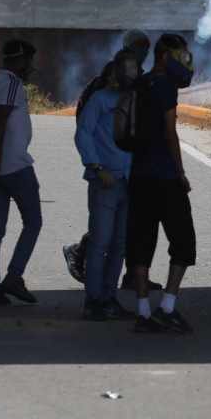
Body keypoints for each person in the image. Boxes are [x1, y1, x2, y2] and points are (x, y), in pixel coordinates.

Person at [125, 34, 199, 334]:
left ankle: (143, 311)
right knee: (183, 242)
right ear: (165, 55)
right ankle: (167, 307)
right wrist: (180, 171)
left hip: (138, 174)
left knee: (141, 243)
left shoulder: (140, 84)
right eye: (179, 55)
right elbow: (170, 133)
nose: (183, 62)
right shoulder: (166, 86)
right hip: (165, 176)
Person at [73, 48, 137, 320]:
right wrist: (97, 167)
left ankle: (109, 298)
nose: (135, 73)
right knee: (100, 243)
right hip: (105, 180)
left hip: (129, 181)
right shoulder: (100, 100)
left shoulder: (134, 100)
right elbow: (83, 134)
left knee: (120, 244)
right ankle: (93, 300)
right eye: (131, 69)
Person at [0, 39, 42, 307]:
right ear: (20, 60)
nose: (30, 67)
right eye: (29, 61)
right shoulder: (12, 84)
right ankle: (14, 276)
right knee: (33, 222)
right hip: (15, 166)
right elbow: (0, 119)